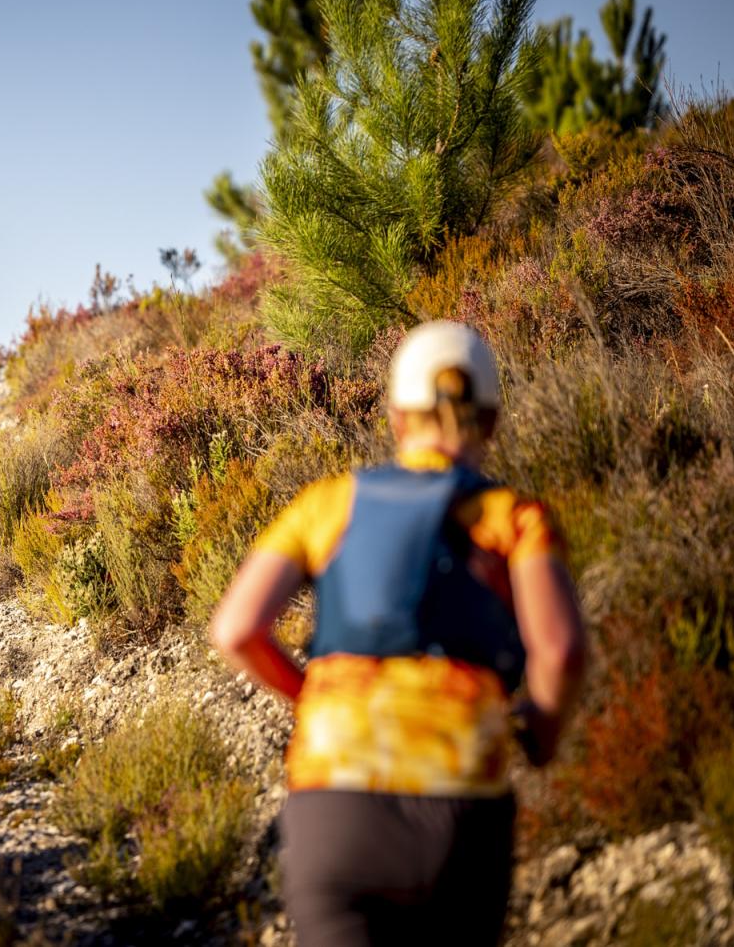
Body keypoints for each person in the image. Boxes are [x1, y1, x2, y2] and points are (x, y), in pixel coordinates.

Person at [209, 321, 588, 946]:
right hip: (461, 817)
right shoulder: (515, 520)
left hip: (334, 813)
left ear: (395, 418)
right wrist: (542, 732)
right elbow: (562, 650)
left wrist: (308, 696)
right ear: (492, 421)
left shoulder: (326, 505)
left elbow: (236, 629)